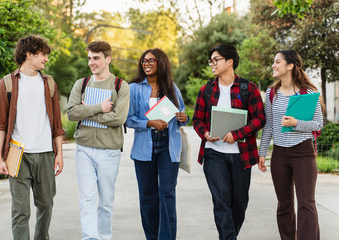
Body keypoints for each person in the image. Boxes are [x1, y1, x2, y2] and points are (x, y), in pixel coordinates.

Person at [0, 35, 65, 240]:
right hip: (17, 155)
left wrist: (59, 153)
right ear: (29, 54)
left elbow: (57, 125)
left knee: (46, 204)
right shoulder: (5, 84)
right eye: (42, 55)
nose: (46, 59)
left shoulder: (49, 83)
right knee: (20, 210)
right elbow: (0, 126)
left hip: (45, 154)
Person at [192, 44, 265, 239]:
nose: (212, 64)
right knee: (221, 202)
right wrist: (205, 133)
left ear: (230, 61)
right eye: (211, 61)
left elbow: (259, 118)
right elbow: (197, 120)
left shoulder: (249, 88)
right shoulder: (206, 90)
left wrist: (238, 134)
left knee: (239, 204)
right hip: (213, 153)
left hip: (241, 155)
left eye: (216, 60)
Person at [67, 40, 129, 240]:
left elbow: (119, 118)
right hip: (83, 148)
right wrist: (98, 108)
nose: (91, 62)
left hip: (109, 151)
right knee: (87, 198)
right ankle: (90, 238)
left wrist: (86, 112)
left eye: (96, 58)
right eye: (89, 58)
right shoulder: (81, 84)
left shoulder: (121, 86)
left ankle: (104, 236)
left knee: (105, 202)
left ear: (108, 59)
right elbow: (71, 113)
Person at [258, 50, 324, 240]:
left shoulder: (308, 94)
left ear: (290, 66)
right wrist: (263, 153)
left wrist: (296, 123)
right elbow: (269, 124)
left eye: (277, 62)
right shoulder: (272, 93)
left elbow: (318, 124)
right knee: (284, 205)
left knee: (306, 204)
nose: (273, 65)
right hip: (279, 154)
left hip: (303, 152)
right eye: (273, 61)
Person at [126, 48, 188, 240]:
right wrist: (149, 122)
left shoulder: (171, 87)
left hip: (168, 146)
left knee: (167, 194)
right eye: (144, 61)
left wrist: (183, 117)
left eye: (151, 61)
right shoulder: (134, 88)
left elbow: (182, 114)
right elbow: (128, 119)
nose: (147, 64)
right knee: (147, 197)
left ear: (161, 63)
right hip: (144, 146)